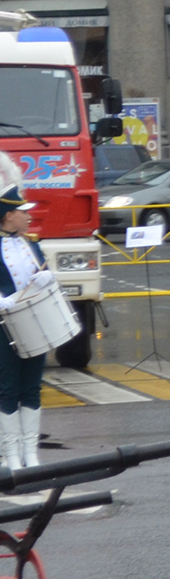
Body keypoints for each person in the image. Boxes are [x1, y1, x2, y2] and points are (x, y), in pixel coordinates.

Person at [0, 185, 54, 468]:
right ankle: (10, 455)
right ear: (9, 216)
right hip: (4, 327)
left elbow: (43, 275)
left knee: (32, 387)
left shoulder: (31, 244)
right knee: (8, 389)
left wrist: (48, 278)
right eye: (23, 212)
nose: (28, 217)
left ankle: (30, 453)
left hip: (34, 323)